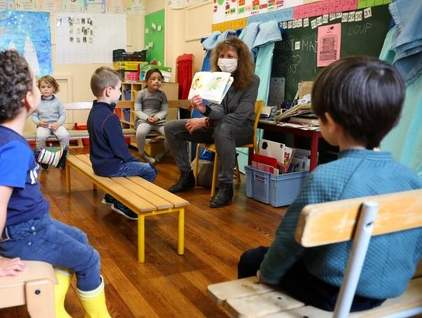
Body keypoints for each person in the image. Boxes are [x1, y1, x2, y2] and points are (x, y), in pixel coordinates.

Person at [238, 56, 422, 312]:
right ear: (393, 121)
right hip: (389, 287)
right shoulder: (412, 179)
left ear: (330, 123)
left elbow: (288, 242)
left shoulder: (326, 177)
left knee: (252, 259)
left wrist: (266, 275)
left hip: (333, 293)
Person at [0, 50, 110, 318]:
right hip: (24, 232)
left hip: (25, 227)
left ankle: (53, 303)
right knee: (89, 259)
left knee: (79, 238)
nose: (38, 87)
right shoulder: (13, 147)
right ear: (28, 98)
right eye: (35, 83)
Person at [164, 36, 260, 208]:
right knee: (171, 127)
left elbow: (240, 116)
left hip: (241, 129)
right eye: (222, 56)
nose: (225, 60)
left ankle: (225, 187)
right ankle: (186, 176)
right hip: (218, 126)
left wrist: (206, 122)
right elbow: (218, 111)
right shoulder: (218, 79)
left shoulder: (252, 81)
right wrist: (204, 110)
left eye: (230, 56)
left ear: (241, 59)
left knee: (223, 129)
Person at [87, 66, 157, 220]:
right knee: (150, 170)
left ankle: (112, 197)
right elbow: (120, 150)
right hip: (111, 167)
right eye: (119, 89)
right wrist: (135, 161)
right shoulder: (110, 118)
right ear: (108, 91)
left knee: (137, 166)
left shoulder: (94, 112)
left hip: (98, 164)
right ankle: (124, 205)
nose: (120, 92)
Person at [31, 75, 69, 169]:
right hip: (43, 126)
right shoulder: (37, 102)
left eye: (49, 87)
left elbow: (63, 115)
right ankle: (43, 158)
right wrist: (39, 123)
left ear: (54, 88)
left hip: (56, 125)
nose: (46, 89)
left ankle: (63, 157)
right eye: (43, 87)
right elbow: (34, 116)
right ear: (39, 88)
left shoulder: (58, 102)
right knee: (40, 136)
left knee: (64, 135)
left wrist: (58, 123)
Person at [134, 68, 170, 164]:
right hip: (144, 120)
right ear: (147, 81)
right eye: (153, 79)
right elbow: (137, 110)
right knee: (140, 133)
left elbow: (165, 110)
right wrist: (147, 117)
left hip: (159, 121)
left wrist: (157, 117)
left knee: (170, 133)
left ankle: (163, 153)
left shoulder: (162, 94)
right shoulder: (141, 93)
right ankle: (142, 153)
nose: (156, 81)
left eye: (159, 79)